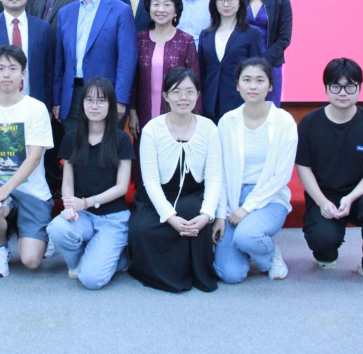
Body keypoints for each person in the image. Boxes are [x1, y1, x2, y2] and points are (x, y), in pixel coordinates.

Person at [295, 57, 363, 289]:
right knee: (322, 240)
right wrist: (321, 202)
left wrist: (351, 197)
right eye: (336, 86)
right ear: (326, 88)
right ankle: (326, 253)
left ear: (360, 87)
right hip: (324, 194)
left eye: (350, 86)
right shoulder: (310, 124)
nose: (343, 93)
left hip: (361, 193)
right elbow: (303, 167)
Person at [128, 68, 221, 293]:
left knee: (192, 217)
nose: (183, 97)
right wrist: (169, 217)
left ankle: (194, 272)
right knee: (142, 229)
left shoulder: (208, 128)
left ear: (198, 95)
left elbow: (214, 176)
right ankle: (161, 274)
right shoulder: (152, 129)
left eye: (190, 91)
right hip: (158, 195)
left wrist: (207, 215)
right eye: (176, 92)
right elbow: (150, 181)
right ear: (165, 96)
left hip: (194, 193)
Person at [0, 45, 54, 277]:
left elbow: (34, 157)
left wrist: (4, 189)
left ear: (23, 74)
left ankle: (41, 233)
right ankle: (0, 248)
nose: (6, 74)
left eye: (13, 68)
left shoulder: (36, 108)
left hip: (32, 193)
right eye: (1, 68)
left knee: (31, 261)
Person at [212, 57, 297, 284]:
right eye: (247, 80)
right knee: (230, 274)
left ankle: (269, 254)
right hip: (233, 200)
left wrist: (247, 207)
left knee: (246, 235)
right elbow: (220, 174)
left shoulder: (284, 122)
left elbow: (282, 176)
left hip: (269, 199)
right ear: (237, 85)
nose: (253, 86)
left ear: (270, 85)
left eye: (260, 80)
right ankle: (250, 245)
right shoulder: (227, 122)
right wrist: (220, 215)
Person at [46, 77, 133, 290]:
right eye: (89, 100)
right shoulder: (72, 138)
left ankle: (121, 258)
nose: (95, 106)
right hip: (83, 215)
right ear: (82, 103)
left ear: (111, 105)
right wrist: (69, 205)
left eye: (101, 101)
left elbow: (122, 187)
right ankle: (82, 261)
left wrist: (86, 202)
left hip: (113, 217)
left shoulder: (121, 139)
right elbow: (67, 180)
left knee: (92, 281)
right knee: (57, 228)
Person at [54, 0, 137, 132]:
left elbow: (127, 60)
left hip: (106, 96)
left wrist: (120, 99)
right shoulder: (65, 13)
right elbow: (59, 61)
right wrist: (57, 99)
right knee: (75, 147)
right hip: (72, 95)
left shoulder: (121, 10)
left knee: (105, 147)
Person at [26, 0, 81, 194]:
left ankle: (69, 187)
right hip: (38, 69)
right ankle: (48, 183)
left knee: (66, 132)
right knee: (41, 130)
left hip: (66, 70)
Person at [129, 0, 199, 140]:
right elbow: (134, 80)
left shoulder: (186, 40)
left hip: (178, 112)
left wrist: (194, 114)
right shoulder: (140, 39)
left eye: (167, 5)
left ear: (176, 11)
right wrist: (132, 112)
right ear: (149, 9)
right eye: (156, 4)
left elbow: (195, 80)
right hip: (144, 111)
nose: (161, 9)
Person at [199, 0, 261, 123]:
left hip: (239, 103)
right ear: (214, 3)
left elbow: (257, 71)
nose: (226, 4)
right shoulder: (206, 35)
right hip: (210, 104)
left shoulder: (252, 33)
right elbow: (201, 72)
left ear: (240, 2)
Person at [242, 0, 292, 106]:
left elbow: (284, 38)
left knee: (270, 109)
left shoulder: (281, 1)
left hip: (271, 64)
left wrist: (264, 62)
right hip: (242, 64)